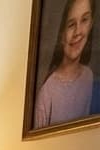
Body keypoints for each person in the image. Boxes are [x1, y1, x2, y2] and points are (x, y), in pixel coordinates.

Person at [34, 0, 95, 128]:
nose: (78, 32)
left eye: (84, 20)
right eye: (71, 25)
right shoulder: (47, 92)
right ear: (61, 34)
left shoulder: (88, 76)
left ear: (91, 24)